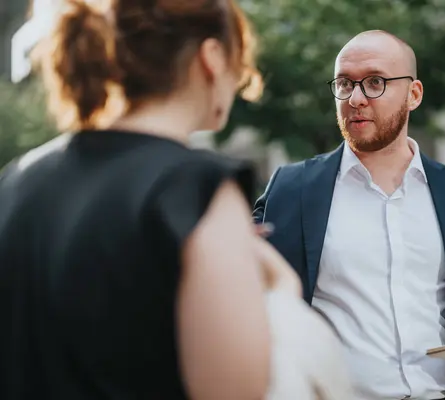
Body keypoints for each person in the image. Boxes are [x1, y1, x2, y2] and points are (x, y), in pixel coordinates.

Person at [0, 0, 304, 399]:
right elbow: (238, 392)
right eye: (240, 62)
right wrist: (280, 286)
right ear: (212, 57)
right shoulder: (193, 188)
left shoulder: (16, 180)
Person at [253, 30, 445, 400]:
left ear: (414, 94)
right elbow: (245, 275)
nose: (355, 99)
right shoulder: (292, 188)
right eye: (344, 83)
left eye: (375, 82)